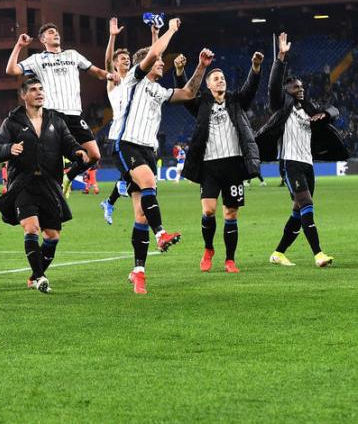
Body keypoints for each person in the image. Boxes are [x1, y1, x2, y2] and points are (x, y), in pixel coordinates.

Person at [109, 18, 213, 294]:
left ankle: (138, 272)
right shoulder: (134, 78)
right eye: (157, 63)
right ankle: (161, 234)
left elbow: (189, 92)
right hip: (126, 143)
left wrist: (201, 67)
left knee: (141, 216)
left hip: (145, 148)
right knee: (148, 184)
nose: (161, 64)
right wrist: (170, 30)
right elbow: (154, 52)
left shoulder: (158, 90)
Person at [255, 33, 348, 267]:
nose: (301, 89)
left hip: (308, 165)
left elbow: (334, 110)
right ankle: (318, 254)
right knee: (307, 204)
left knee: (299, 212)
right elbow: (273, 85)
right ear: (288, 91)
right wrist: (281, 56)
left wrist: (325, 114)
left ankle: (278, 253)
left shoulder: (308, 110)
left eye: (302, 86)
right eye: (296, 87)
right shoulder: (281, 106)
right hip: (290, 163)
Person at [0, 77, 87, 293]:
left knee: (52, 236)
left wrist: (77, 151)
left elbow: (68, 143)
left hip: (49, 184)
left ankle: (35, 275)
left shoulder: (55, 120)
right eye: (33, 90)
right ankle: (41, 277)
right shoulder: (12, 122)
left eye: (41, 89)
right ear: (24, 95)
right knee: (31, 227)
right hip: (23, 183)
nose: (39, 92)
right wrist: (9, 148)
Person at [180, 51, 265, 273]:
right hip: (209, 166)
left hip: (233, 165)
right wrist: (180, 73)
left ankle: (230, 259)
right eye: (216, 78)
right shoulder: (201, 104)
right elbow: (186, 95)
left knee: (231, 213)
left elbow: (250, 89)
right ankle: (208, 249)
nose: (221, 80)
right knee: (208, 211)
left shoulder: (236, 101)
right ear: (208, 85)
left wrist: (255, 67)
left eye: (223, 78)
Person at [6, 23, 119, 184]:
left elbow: (97, 72)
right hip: (52, 115)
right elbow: (11, 70)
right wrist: (19, 46)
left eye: (56, 31)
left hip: (74, 115)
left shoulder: (73, 55)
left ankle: (69, 177)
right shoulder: (37, 59)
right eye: (51, 32)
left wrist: (109, 76)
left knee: (95, 155)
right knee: (52, 159)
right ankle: (48, 188)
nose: (55, 34)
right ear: (43, 39)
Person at [99, 17, 135, 225]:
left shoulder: (133, 80)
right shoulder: (114, 81)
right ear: (115, 64)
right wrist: (112, 37)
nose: (125, 61)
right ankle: (116, 195)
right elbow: (105, 62)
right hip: (117, 135)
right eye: (121, 59)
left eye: (127, 59)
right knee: (131, 175)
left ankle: (110, 202)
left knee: (133, 176)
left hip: (133, 134)